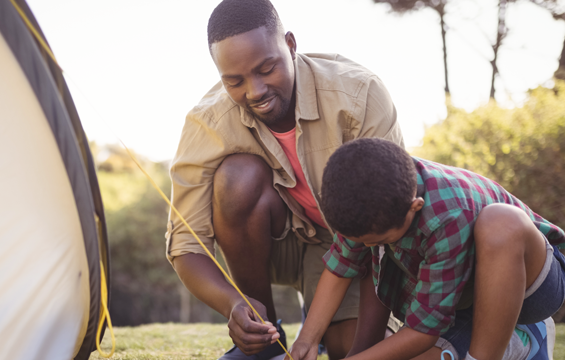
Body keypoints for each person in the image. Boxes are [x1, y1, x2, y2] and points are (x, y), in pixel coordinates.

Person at [165, 0, 404, 359]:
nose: (255, 90)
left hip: (357, 245)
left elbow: (388, 226)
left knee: (354, 348)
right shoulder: (208, 122)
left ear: (290, 45)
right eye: (234, 80)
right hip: (277, 244)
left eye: (267, 68)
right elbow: (186, 245)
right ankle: (265, 342)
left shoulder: (358, 95)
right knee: (237, 178)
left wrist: (364, 349)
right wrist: (235, 305)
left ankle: (324, 316)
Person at [290, 138, 565, 360]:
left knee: (500, 223)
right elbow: (340, 268)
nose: (366, 247)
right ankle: (502, 342)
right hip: (464, 300)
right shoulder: (363, 197)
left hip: (534, 286)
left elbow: (423, 332)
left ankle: (521, 338)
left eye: (377, 238)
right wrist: (307, 339)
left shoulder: (446, 216)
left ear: (415, 207)